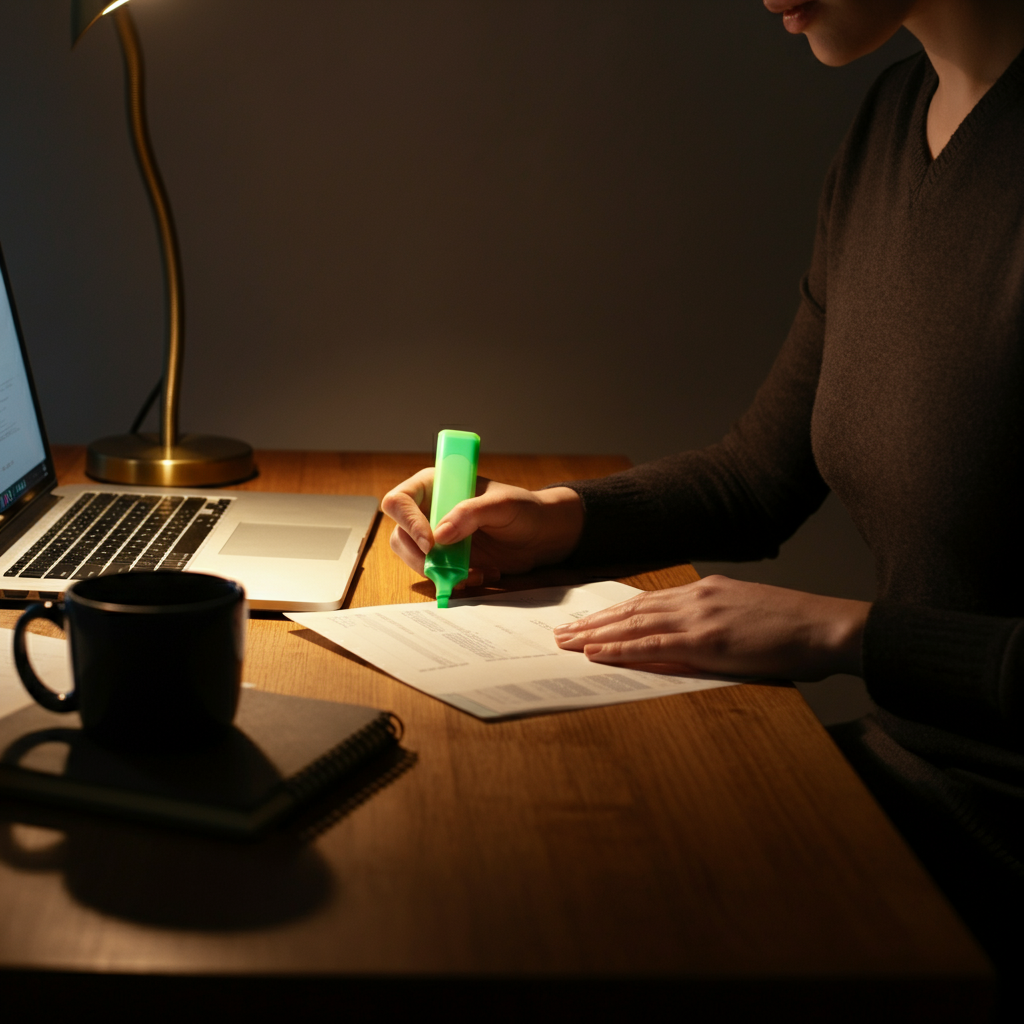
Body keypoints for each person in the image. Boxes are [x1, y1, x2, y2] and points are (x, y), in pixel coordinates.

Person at [383, 0, 1024, 1009]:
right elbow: (757, 475)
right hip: (898, 779)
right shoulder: (892, 122)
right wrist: (561, 516)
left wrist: (840, 633)